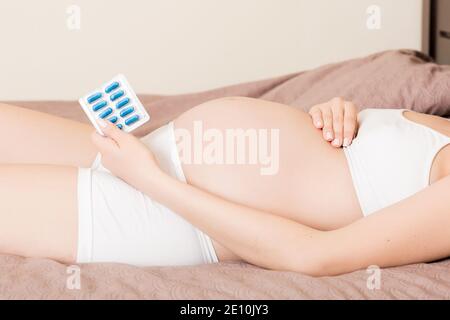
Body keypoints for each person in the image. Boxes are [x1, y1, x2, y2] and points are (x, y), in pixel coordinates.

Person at [0, 96, 449, 276]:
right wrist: (340, 111)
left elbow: (313, 254)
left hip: (168, 215)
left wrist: (149, 180)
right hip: (152, 153)